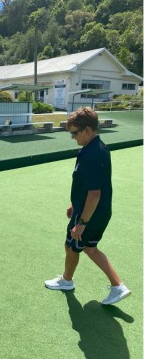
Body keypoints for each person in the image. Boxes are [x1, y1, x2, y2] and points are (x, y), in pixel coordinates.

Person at [45, 107, 131, 305]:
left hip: (90, 214)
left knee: (72, 246)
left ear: (87, 130)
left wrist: (82, 222)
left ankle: (68, 281)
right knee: (89, 248)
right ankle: (116, 286)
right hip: (94, 211)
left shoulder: (93, 154)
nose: (73, 137)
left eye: (74, 133)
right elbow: (88, 186)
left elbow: (94, 194)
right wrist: (74, 205)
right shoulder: (94, 148)